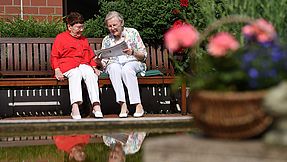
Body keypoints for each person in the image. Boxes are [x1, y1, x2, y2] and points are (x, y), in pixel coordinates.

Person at [51, 12, 103, 119]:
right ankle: (75, 107)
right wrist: (57, 70)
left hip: (82, 65)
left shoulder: (83, 39)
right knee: (76, 73)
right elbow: (54, 56)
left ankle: (96, 105)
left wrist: (94, 67)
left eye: (82, 27)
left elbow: (89, 56)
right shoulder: (60, 38)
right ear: (69, 27)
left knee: (90, 73)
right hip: (67, 66)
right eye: (78, 27)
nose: (81, 30)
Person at [97, 11, 147, 118]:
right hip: (115, 64)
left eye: (115, 25)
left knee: (127, 69)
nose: (112, 28)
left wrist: (132, 52)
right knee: (113, 68)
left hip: (133, 62)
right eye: (109, 26)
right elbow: (105, 63)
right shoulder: (107, 40)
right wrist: (99, 62)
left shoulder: (133, 33)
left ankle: (138, 105)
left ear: (122, 23)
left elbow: (143, 56)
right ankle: (123, 104)